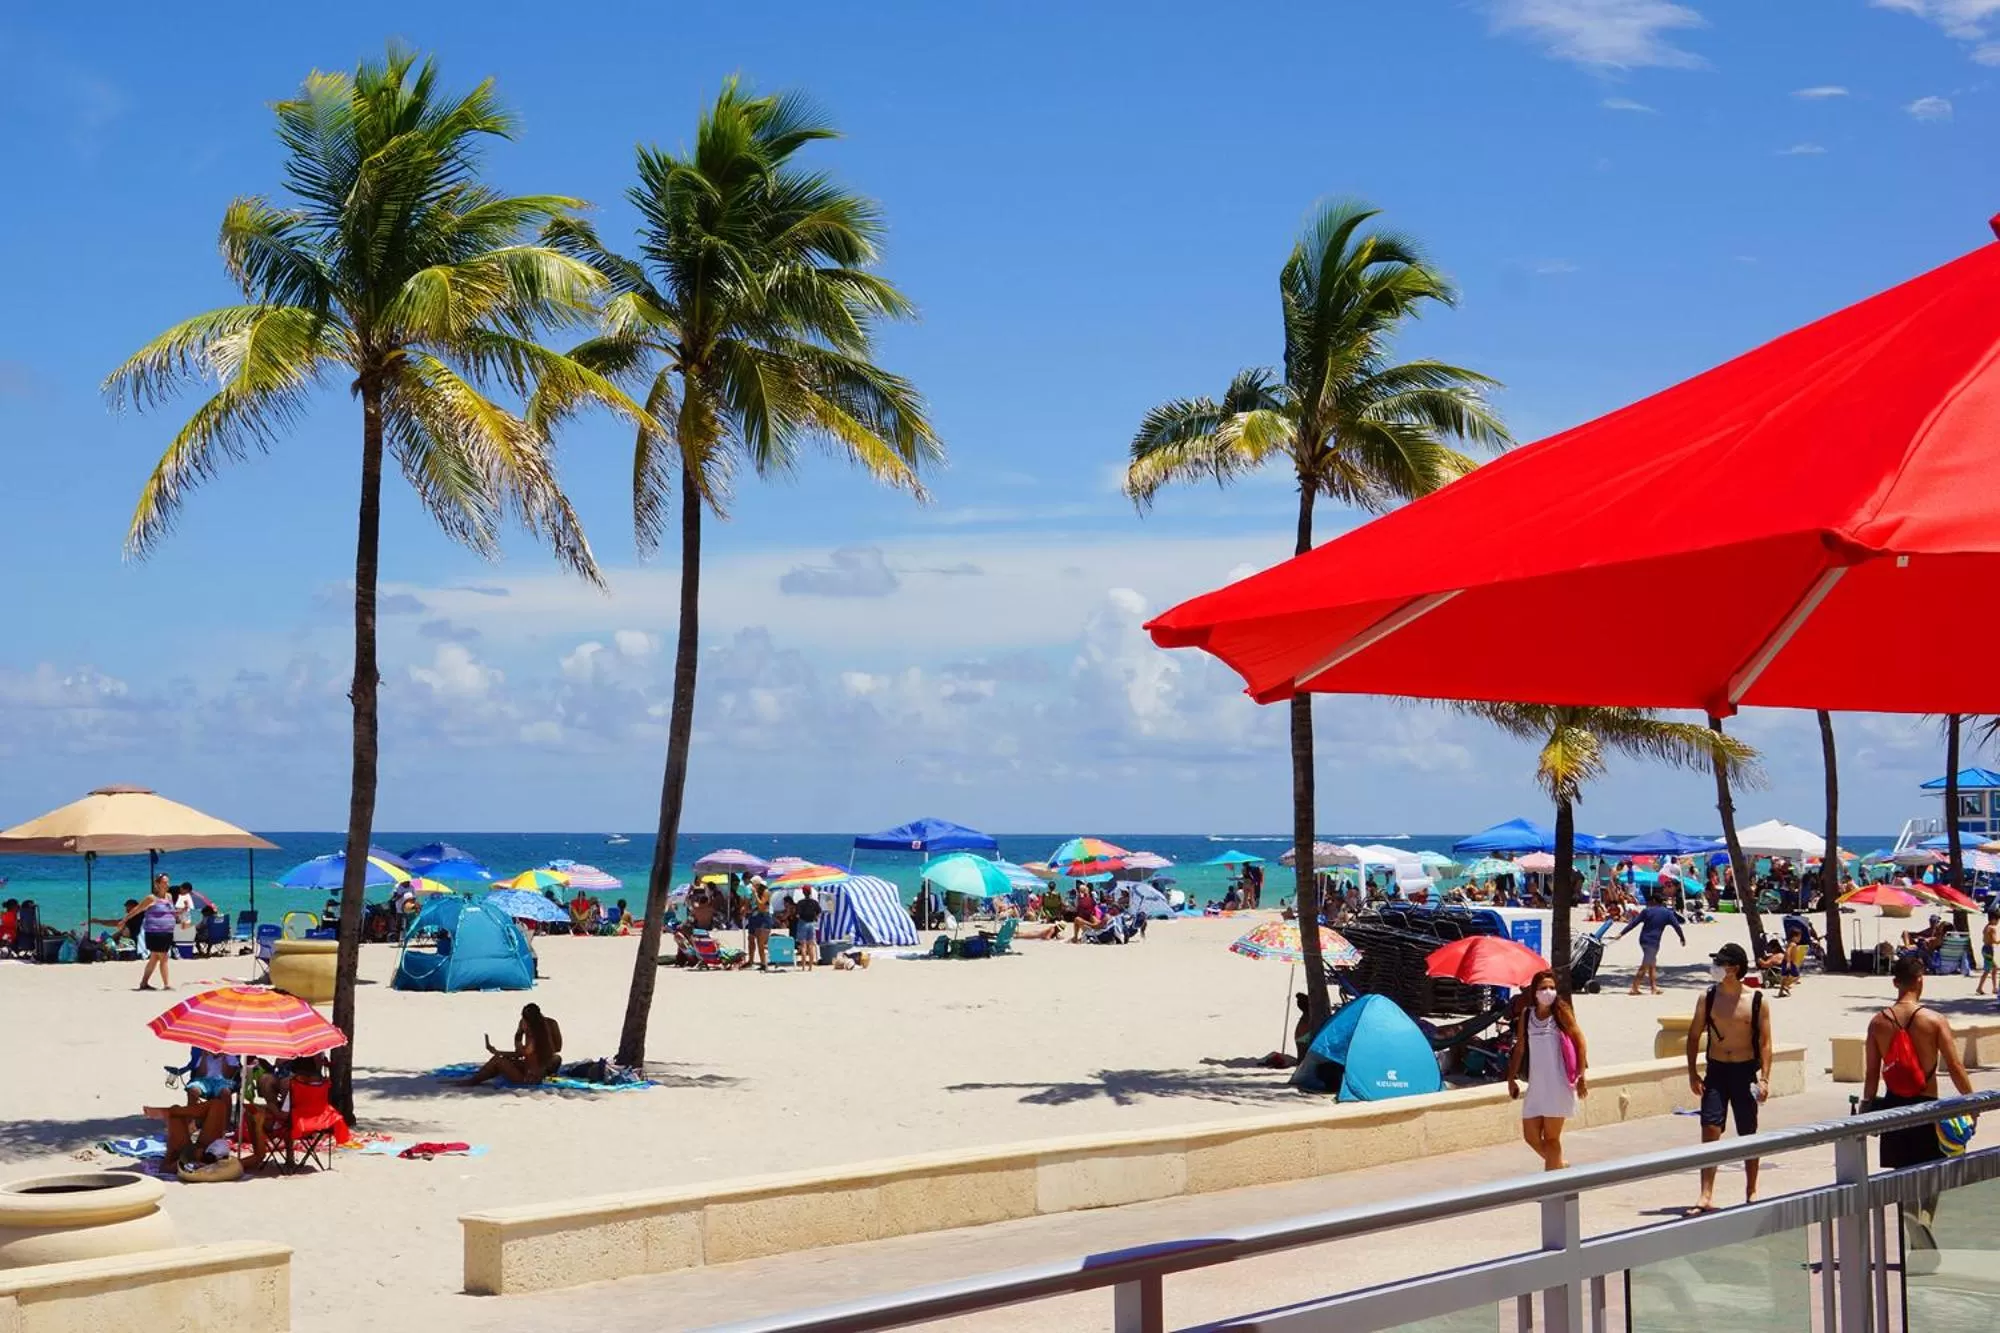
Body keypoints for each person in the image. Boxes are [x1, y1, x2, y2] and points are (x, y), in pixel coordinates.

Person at [1863, 955, 1975, 1169]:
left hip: (1893, 1107)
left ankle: (1906, 1205)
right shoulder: (1934, 1020)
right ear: (1920, 980)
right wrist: (1972, 1102)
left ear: (1895, 982)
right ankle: (1926, 1205)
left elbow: (1871, 1073)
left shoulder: (1877, 1022)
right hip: (1927, 1106)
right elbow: (1954, 1066)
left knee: (1900, 1179)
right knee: (1930, 1177)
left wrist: (1866, 1108)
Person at [1688, 942, 1774, 1211]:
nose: (1716, 968)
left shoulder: (1757, 1000)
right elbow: (1693, 1036)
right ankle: (1706, 1193)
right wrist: (1692, 1072)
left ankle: (1751, 1189)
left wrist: (1765, 1079)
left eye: (1721, 964)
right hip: (1716, 1070)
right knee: (1710, 1128)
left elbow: (1766, 1043)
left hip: (1744, 1070)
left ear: (1734, 968)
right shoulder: (1708, 998)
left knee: (1748, 1131)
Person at [1508, 970, 1589, 1171]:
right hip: (1537, 1086)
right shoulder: (1527, 1015)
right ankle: (1558, 1165)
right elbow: (1520, 1047)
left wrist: (1581, 1076)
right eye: (1543, 988)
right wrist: (1511, 1078)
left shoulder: (1560, 1012)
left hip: (1558, 1085)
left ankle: (1552, 1185)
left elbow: (1580, 1041)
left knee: (1552, 1139)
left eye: (1551, 988)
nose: (1548, 992)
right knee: (1531, 1137)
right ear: (1534, 991)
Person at [456, 1004, 564, 1087]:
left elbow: (520, 1053)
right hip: (536, 1070)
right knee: (500, 1060)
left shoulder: (532, 1036)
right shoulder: (543, 1030)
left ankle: (473, 1081)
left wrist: (518, 1035)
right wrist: (498, 1052)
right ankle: (476, 1079)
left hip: (529, 1078)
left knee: (498, 1060)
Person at [1616, 900, 1687, 995]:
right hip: (1653, 941)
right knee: (1645, 964)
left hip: (1643, 940)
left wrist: (1621, 933)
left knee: (1652, 964)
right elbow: (1677, 926)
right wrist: (1682, 938)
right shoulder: (1668, 913)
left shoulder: (1647, 911)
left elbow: (1634, 923)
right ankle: (1634, 988)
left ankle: (1654, 988)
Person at [123, 875, 179, 991]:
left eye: (168, 882)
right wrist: (124, 920)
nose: (167, 885)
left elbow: (171, 911)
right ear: (157, 884)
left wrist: (180, 912)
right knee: (164, 957)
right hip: (154, 932)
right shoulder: (151, 898)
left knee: (154, 958)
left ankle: (144, 983)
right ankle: (166, 984)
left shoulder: (169, 896)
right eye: (164, 882)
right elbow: (137, 909)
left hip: (167, 932)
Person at [792, 885, 822, 969]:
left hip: (803, 923)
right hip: (811, 924)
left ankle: (803, 966)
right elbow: (819, 912)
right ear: (811, 892)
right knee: (811, 946)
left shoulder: (800, 902)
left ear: (803, 892)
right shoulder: (814, 902)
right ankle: (810, 967)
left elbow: (797, 915)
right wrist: (815, 917)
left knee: (803, 945)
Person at [746, 877, 773, 970]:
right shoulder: (753, 893)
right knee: (750, 938)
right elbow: (752, 904)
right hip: (754, 916)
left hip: (763, 918)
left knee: (760, 941)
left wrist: (755, 894)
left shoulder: (765, 892)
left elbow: (761, 906)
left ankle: (763, 963)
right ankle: (750, 960)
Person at [1978, 905, 2000, 996]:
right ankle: (1979, 988)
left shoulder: (1987, 926)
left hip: (1985, 948)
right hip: (1988, 949)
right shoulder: (1992, 928)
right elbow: (1995, 941)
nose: (1998, 922)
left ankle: (1994, 988)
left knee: (1994, 969)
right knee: (1988, 969)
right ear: (1993, 919)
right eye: (1998, 920)